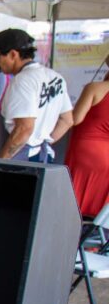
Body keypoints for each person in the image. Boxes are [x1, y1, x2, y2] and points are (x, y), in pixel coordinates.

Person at [0, 28, 73, 162]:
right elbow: (67, 120)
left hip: (22, 158)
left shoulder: (22, 80)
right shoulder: (55, 77)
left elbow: (24, 128)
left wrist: (0, 161)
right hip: (43, 155)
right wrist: (42, 142)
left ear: (13, 54)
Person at [65, 74, 109, 217]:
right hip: (106, 154)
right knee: (100, 208)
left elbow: (76, 119)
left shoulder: (95, 88)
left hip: (85, 150)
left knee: (72, 199)